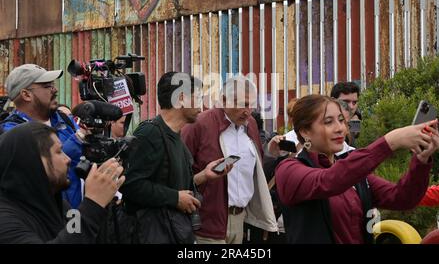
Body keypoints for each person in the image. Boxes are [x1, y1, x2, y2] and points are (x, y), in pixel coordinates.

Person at [275, 94, 439, 244]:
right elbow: (328, 180)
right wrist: (390, 142)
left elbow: (404, 198)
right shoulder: (289, 170)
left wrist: (421, 159)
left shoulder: (356, 175)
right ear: (305, 131)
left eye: (341, 120)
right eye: (328, 122)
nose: (340, 128)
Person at [120, 72, 230, 244]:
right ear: (180, 98)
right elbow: (131, 184)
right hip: (151, 233)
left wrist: (204, 175)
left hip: (174, 233)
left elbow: (172, 184)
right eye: (197, 98)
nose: (201, 107)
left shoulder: (177, 138)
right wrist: (175, 198)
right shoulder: (150, 133)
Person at [181, 75, 278, 244]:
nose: (247, 110)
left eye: (251, 104)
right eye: (243, 104)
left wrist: (273, 152)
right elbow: (178, 175)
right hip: (206, 223)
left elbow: (255, 169)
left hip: (240, 219)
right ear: (224, 100)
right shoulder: (199, 124)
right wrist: (202, 177)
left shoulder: (251, 124)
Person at [0, 122, 124, 243]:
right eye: (59, 151)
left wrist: (102, 203)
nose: (68, 159)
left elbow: (77, 231)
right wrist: (93, 204)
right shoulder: (5, 220)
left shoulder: (59, 204)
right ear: (34, 161)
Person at [2, 64, 85, 208]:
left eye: (53, 85)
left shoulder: (64, 119)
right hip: (43, 218)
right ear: (26, 94)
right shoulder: (12, 133)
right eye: (47, 86)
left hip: (77, 215)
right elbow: (37, 172)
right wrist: (76, 142)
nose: (55, 89)